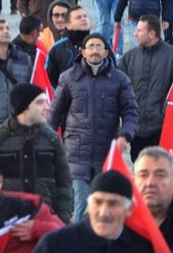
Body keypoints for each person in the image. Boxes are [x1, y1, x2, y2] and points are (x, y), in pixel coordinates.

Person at [49, 33, 139, 218]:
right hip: (75, 152)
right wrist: (48, 140)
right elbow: (54, 113)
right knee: (81, 202)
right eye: (91, 46)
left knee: (103, 204)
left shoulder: (120, 79)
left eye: (99, 46)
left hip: (106, 152)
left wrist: (125, 135)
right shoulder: (69, 78)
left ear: (106, 52)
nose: (95, 50)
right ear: (83, 52)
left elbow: (131, 112)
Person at [0, 84, 73, 223]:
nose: (47, 107)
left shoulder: (52, 140)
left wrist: (62, 220)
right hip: (8, 222)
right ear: (24, 107)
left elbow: (64, 183)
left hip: (45, 221)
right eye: (40, 102)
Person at [34, 170, 154, 253]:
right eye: (98, 202)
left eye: (113, 204)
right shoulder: (56, 244)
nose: (104, 212)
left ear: (129, 209)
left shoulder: (143, 247)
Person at [119, 15, 173, 158]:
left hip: (161, 128)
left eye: (139, 30)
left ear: (152, 34)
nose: (135, 34)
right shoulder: (129, 57)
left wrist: (164, 114)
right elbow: (120, 89)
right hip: (137, 128)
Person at [133, 147, 173, 249]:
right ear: (133, 181)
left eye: (160, 175)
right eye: (143, 175)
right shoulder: (118, 219)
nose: (150, 183)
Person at [46, 6, 92, 89]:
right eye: (78, 17)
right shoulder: (57, 49)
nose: (83, 19)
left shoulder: (101, 43)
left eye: (85, 16)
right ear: (68, 25)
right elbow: (48, 79)